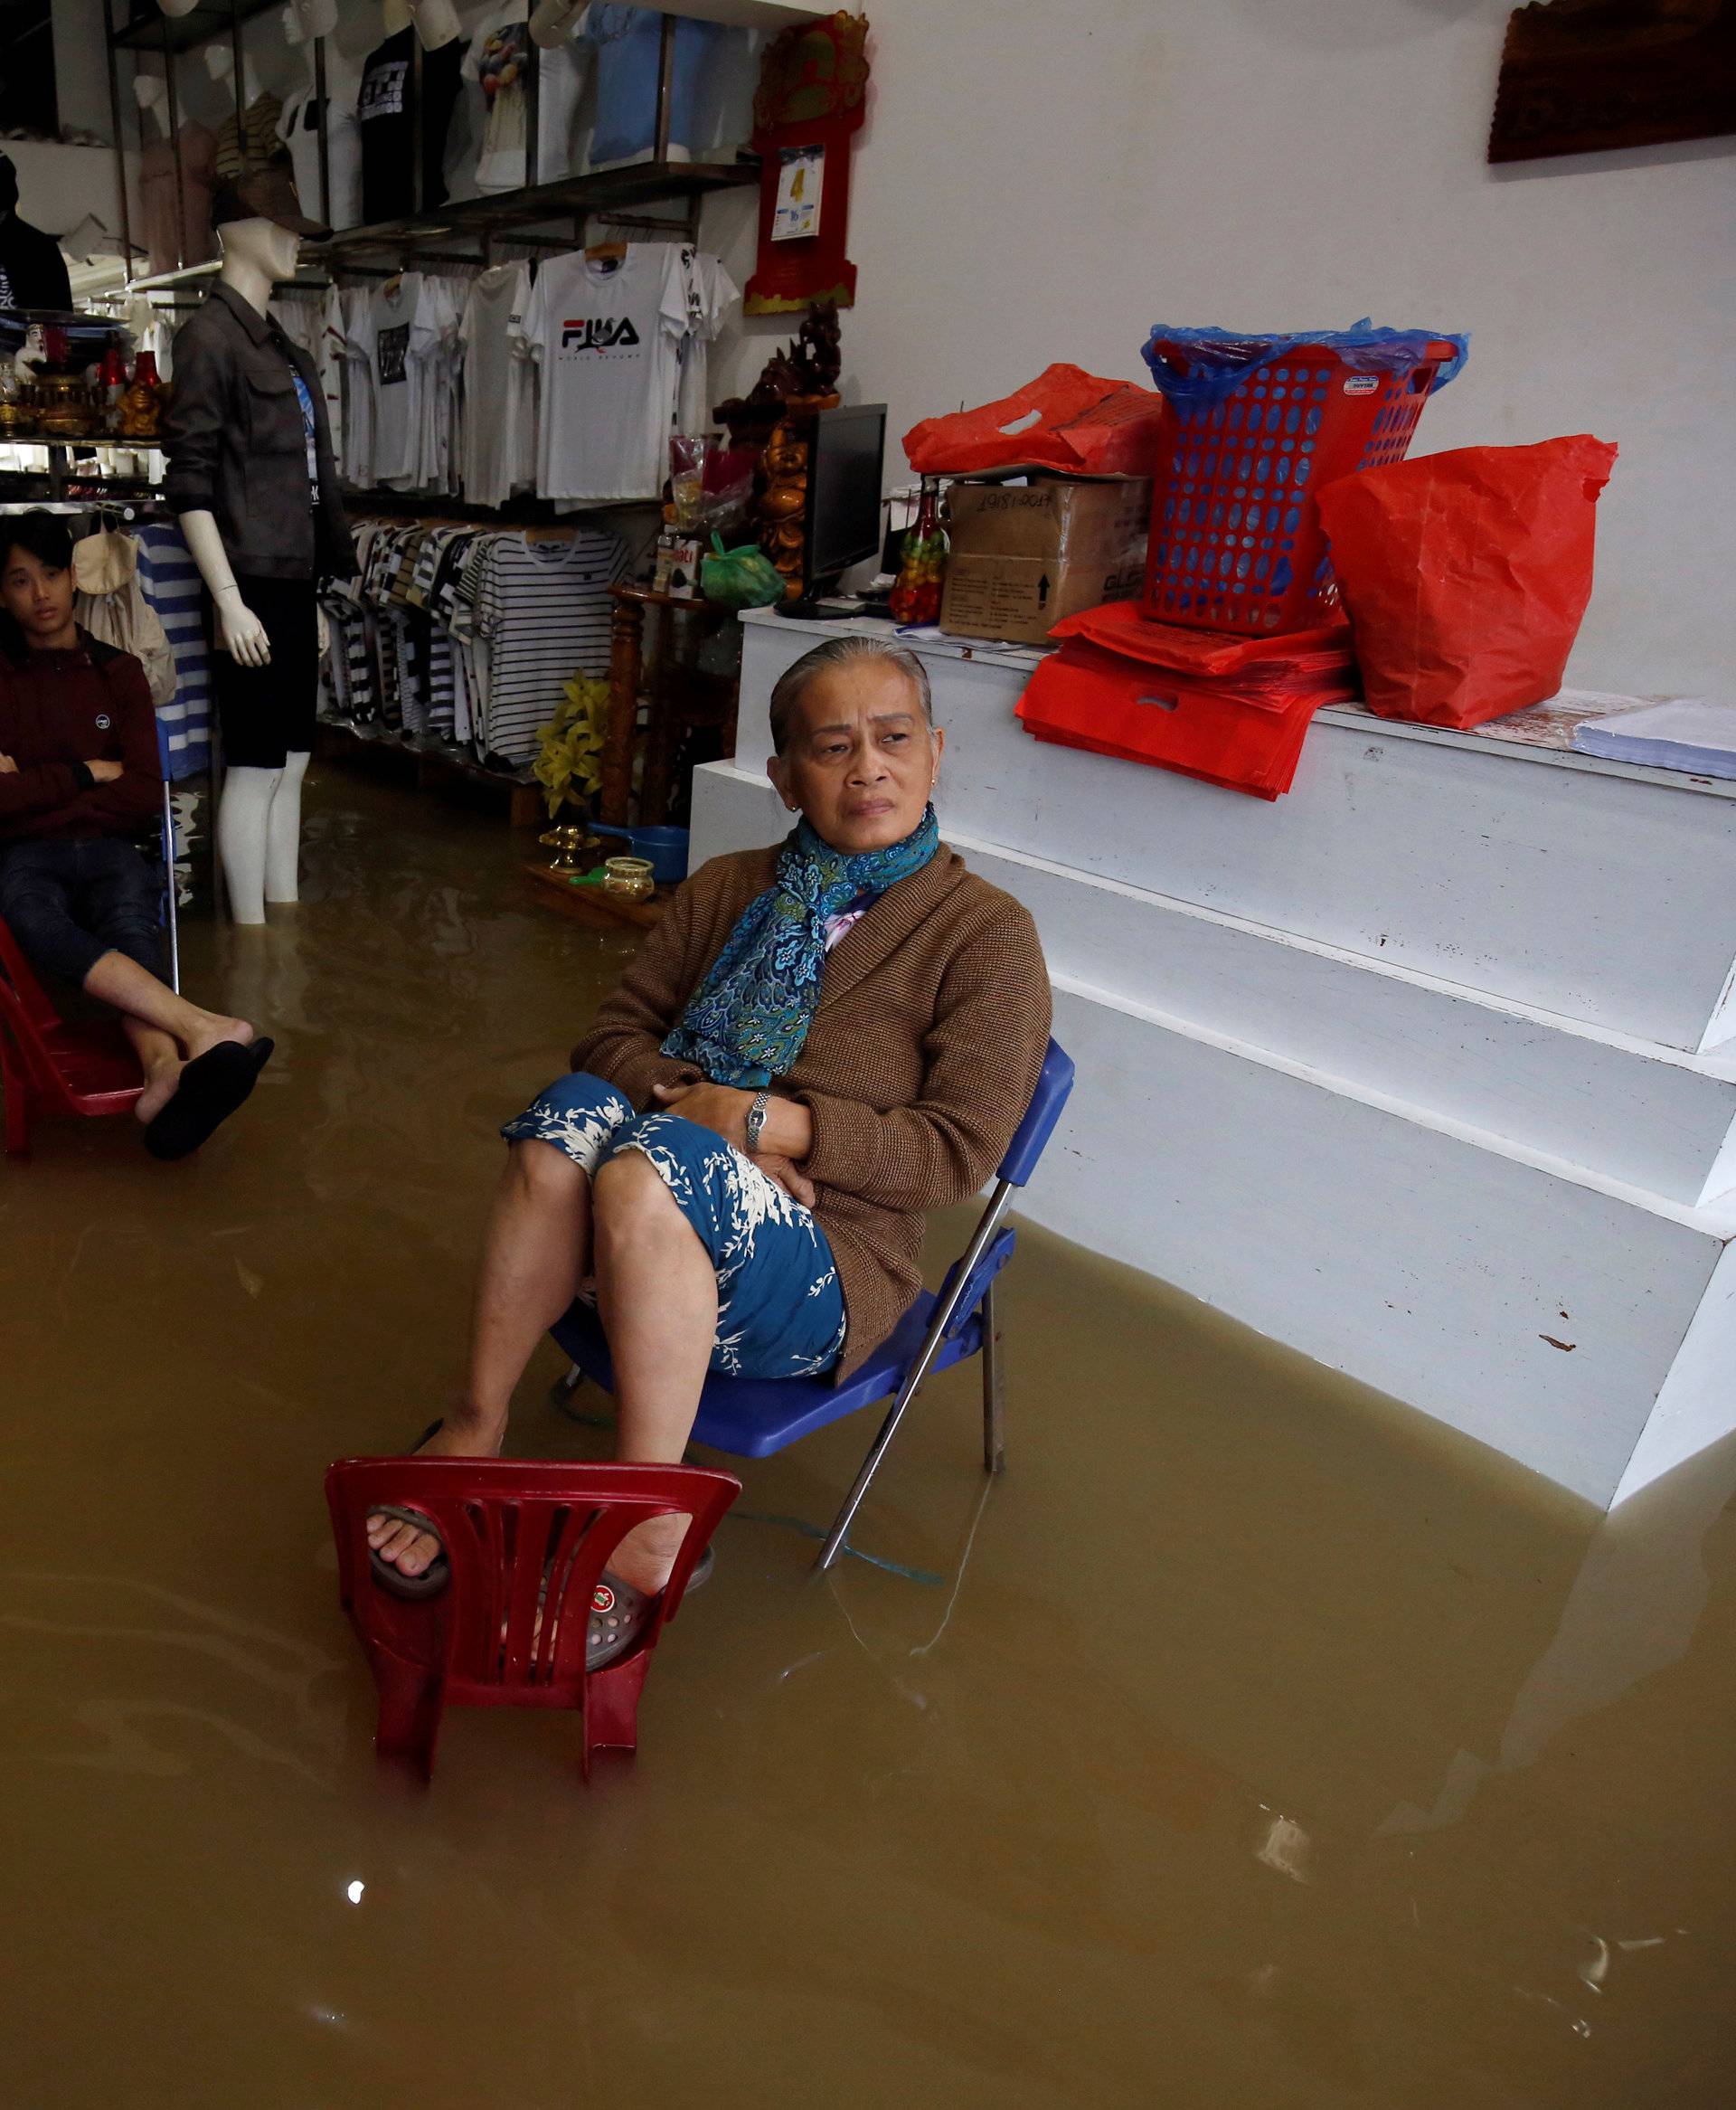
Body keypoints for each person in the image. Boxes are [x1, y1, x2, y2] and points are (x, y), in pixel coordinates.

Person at [368, 635, 1052, 1658]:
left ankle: (648, 1517)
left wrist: (762, 1126)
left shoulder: (986, 935)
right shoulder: (726, 887)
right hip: (636, 1223)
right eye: (832, 746)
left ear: (937, 751)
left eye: (894, 737)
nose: (869, 766)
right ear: (783, 778)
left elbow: (955, 1154)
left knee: (653, 1167)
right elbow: (610, 1037)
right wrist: (700, 1112)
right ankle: (474, 1418)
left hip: (828, 1261)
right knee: (564, 1119)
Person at [0, 511, 272, 1157]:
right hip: (25, 855)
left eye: (51, 574)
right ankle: (201, 1027)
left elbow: (147, 790)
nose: (41, 594)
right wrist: (86, 773)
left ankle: (163, 1072)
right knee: (29, 915)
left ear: (74, 578)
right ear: (2, 594)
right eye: (19, 580)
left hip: (106, 845)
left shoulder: (118, 672)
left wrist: (33, 787)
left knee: (128, 915)